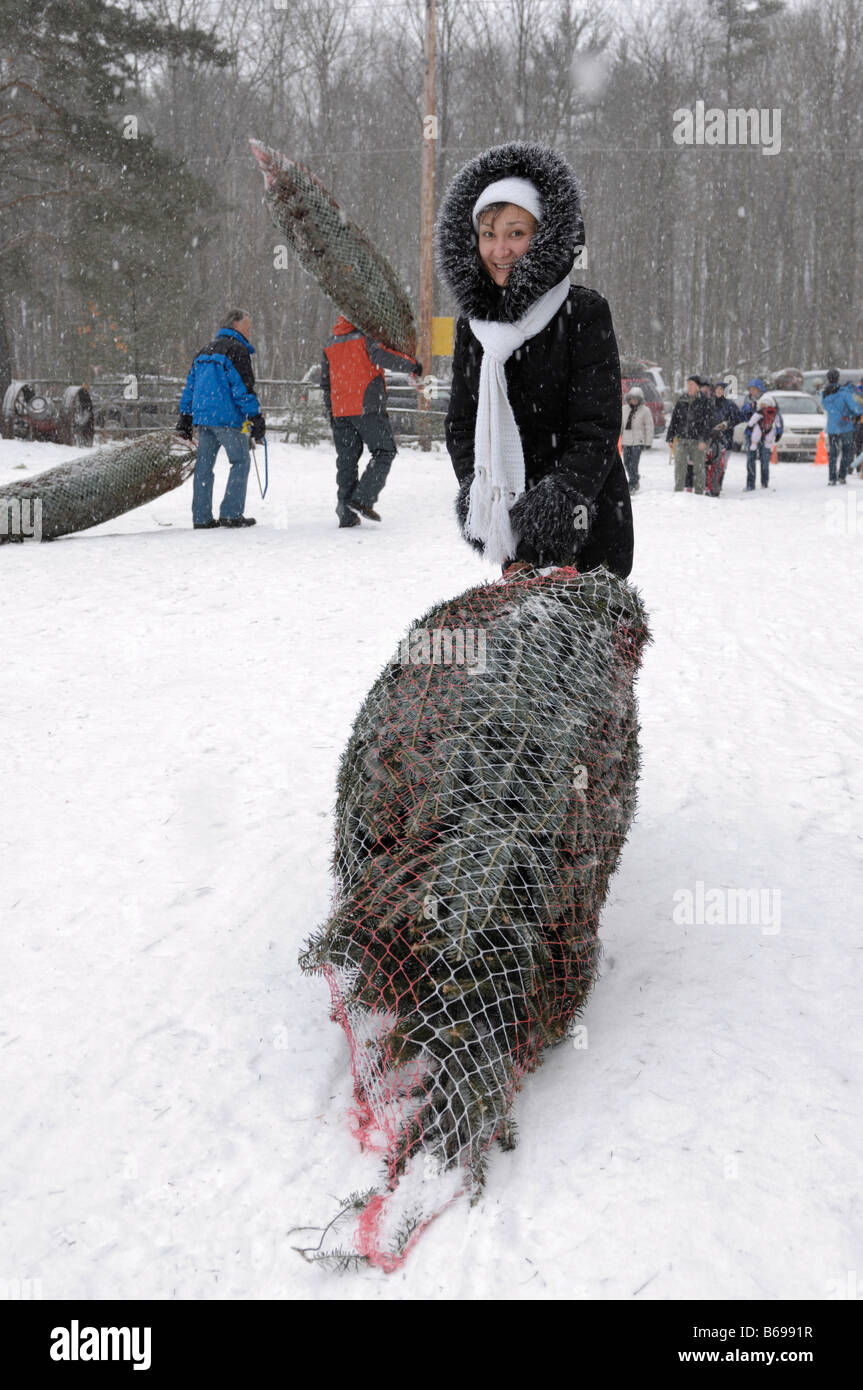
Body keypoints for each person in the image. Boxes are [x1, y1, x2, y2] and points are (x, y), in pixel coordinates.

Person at [437, 142, 632, 577]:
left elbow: (596, 428)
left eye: (515, 233)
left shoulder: (583, 313)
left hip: (587, 525)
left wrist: (559, 502)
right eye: (488, 234)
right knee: (523, 644)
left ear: (543, 235)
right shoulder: (473, 328)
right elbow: (461, 425)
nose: (500, 250)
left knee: (585, 644)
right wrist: (482, 492)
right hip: (510, 533)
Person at [321, 316, 422, 527]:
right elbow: (384, 356)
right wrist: (412, 365)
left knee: (347, 460)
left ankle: (346, 512)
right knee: (385, 451)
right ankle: (362, 499)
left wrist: (331, 410)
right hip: (367, 405)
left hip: (341, 409)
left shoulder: (330, 343)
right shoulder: (365, 338)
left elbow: (325, 381)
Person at [177, 309, 264, 528]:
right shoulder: (237, 350)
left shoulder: (204, 351)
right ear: (235, 324)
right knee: (240, 461)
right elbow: (242, 388)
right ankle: (231, 514)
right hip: (227, 419)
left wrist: (185, 416)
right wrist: (255, 416)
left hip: (203, 419)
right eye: (248, 325)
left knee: (204, 468)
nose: (250, 330)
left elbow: (190, 386)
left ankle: (201, 517)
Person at [666, 376, 715, 494]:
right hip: (682, 439)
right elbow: (674, 419)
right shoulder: (682, 400)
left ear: (698, 387)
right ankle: (678, 491)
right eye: (688, 384)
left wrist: (703, 440)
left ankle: (699, 492)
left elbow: (708, 423)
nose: (689, 387)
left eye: (692, 384)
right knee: (679, 466)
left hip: (698, 440)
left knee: (698, 468)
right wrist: (670, 437)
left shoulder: (705, 401)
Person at [819, 368, 863, 486]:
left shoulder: (823, 393)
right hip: (845, 426)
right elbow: (854, 408)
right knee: (846, 452)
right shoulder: (844, 392)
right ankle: (842, 476)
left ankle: (832, 478)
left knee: (833, 453)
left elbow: (826, 407)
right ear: (838, 378)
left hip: (832, 427)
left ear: (828, 379)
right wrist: (857, 412)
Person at [706, 379, 742, 496]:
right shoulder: (709, 403)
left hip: (725, 439)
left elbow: (739, 417)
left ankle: (718, 486)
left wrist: (727, 424)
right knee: (708, 463)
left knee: (722, 464)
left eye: (721, 389)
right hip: (710, 439)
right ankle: (708, 486)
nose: (719, 391)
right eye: (717, 389)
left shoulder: (730, 405)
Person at [744, 391, 783, 489]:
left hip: (766, 433)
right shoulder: (750, 401)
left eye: (755, 389)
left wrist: (779, 431)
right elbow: (749, 418)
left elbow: (778, 421)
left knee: (764, 461)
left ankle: (764, 483)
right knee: (751, 461)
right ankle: (751, 484)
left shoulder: (773, 410)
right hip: (756, 433)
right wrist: (749, 428)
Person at [621, 386, 653, 492]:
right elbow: (620, 425)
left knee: (634, 463)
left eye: (636, 398)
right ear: (629, 398)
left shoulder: (645, 411)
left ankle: (633, 484)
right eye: (632, 398)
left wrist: (648, 442)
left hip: (638, 441)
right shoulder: (624, 409)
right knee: (626, 462)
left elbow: (649, 426)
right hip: (626, 441)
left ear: (640, 399)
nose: (634, 400)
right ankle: (635, 478)